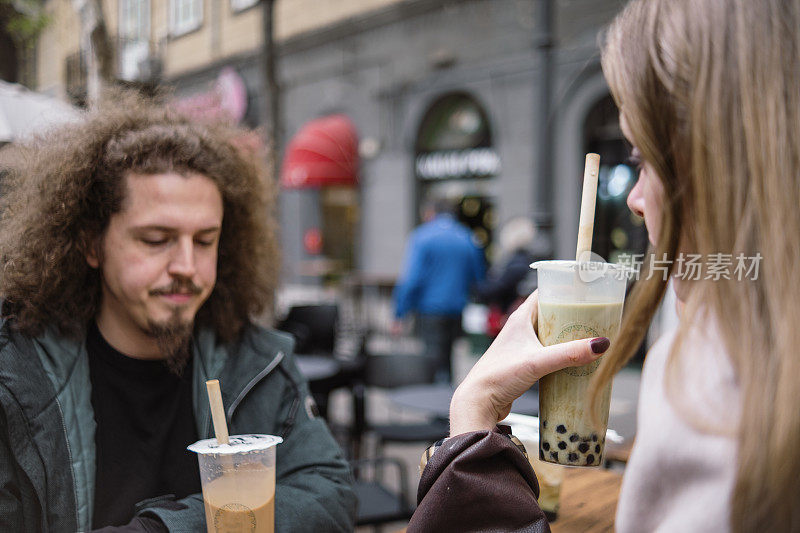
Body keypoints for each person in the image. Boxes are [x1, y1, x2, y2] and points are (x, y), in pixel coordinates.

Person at [408, 0, 800, 531]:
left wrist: (473, 416)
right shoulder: (715, 358)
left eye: (642, 160)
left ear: (722, 158)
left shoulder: (703, 380)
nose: (635, 199)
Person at [0, 91, 356, 532]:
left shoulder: (257, 362)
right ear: (91, 243)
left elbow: (330, 493)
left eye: (205, 241)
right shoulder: (16, 376)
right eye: (155, 239)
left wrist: (168, 529)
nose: (187, 267)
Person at [392, 197, 485, 383]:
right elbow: (478, 276)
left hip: (430, 310)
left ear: (430, 212)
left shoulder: (422, 236)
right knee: (448, 360)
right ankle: (446, 405)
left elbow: (411, 279)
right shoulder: (467, 237)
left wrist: (399, 313)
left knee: (432, 363)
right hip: (456, 309)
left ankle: (435, 407)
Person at [475, 217, 539, 337]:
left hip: (507, 316)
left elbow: (498, 287)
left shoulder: (516, 264)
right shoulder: (527, 260)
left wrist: (478, 287)